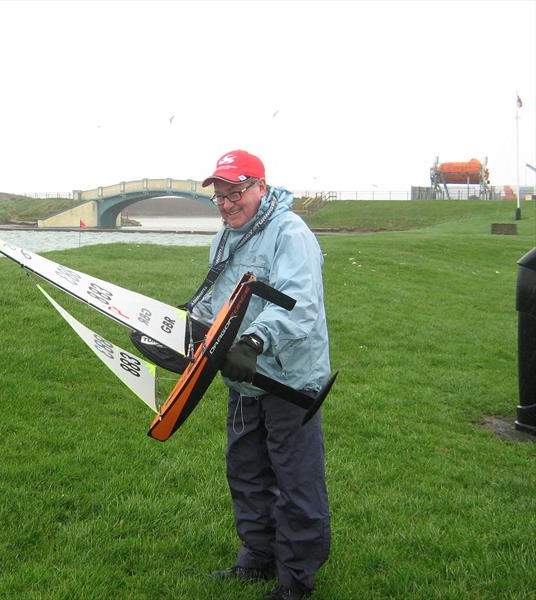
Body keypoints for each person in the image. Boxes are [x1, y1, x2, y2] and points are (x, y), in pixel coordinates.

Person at [190, 150, 332, 600]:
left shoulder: (290, 233)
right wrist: (185, 333)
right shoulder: (225, 237)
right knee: (246, 469)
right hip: (241, 379)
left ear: (261, 188)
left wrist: (253, 342)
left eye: (236, 193)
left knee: (295, 478)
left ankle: (295, 579)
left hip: (288, 379)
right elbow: (216, 303)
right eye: (220, 196)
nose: (228, 204)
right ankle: (258, 555)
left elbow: (299, 305)